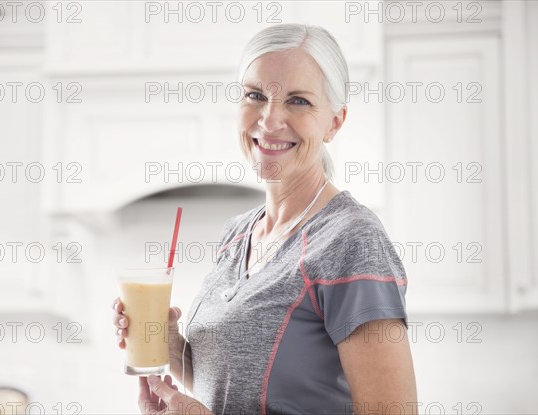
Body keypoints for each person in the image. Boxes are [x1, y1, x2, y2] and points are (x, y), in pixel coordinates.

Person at [113, 23, 417, 415]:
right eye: (255, 95)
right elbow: (243, 388)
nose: (270, 120)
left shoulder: (351, 239)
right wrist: (171, 347)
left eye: (299, 101)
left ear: (335, 122)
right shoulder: (236, 235)